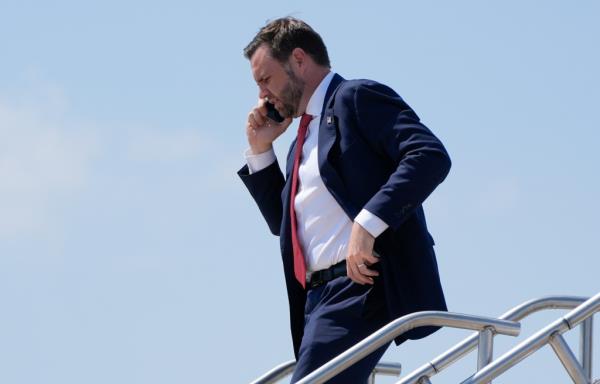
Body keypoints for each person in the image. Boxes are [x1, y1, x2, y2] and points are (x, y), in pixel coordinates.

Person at [238, 17, 451, 383]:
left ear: (299, 60)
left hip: (359, 286)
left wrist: (367, 224)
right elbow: (285, 225)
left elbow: (429, 154)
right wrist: (260, 151)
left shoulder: (355, 98)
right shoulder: (299, 143)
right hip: (316, 302)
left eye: (265, 79)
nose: (262, 95)